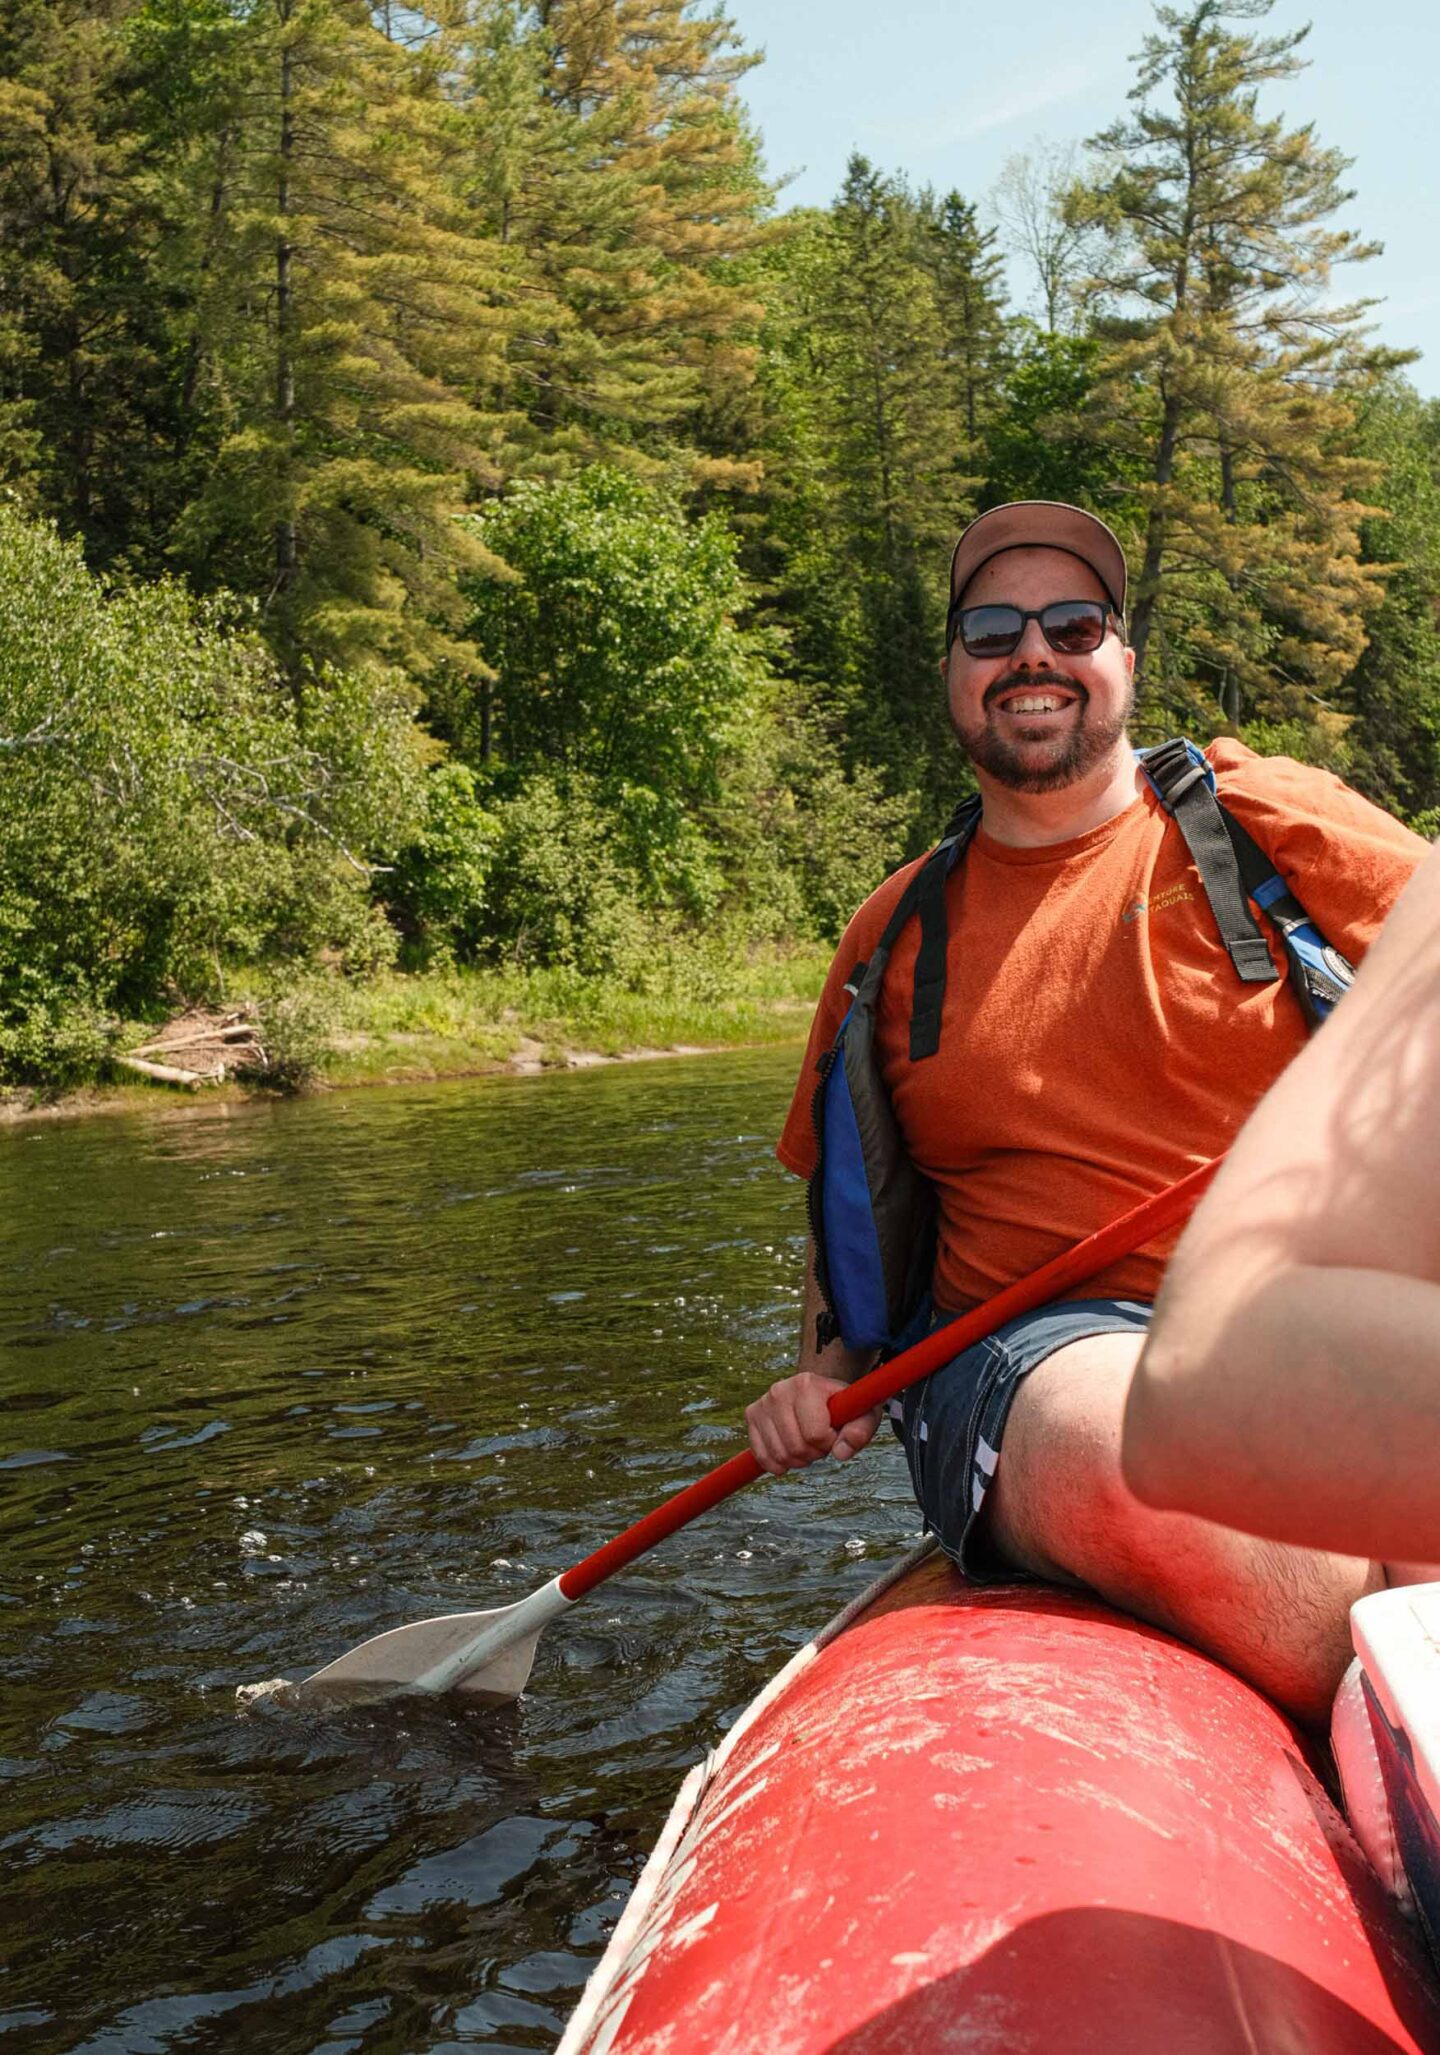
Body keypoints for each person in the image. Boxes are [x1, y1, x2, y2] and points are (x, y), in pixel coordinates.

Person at [746, 499, 1428, 1725]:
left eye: (1073, 621)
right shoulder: (889, 934)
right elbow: (843, 1212)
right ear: (954, 673)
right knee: (1144, 1458)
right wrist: (822, 1370)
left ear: (1122, 659)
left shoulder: (1265, 816)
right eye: (992, 628)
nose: (1033, 652)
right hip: (1040, 1354)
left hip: (1291, 1307)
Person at [1121, 836, 1440, 1569]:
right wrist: (828, 1366)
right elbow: (843, 1183)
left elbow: (1189, 1391)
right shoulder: (900, 920)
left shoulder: (1252, 803)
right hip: (1078, 1329)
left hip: (1254, 1301)